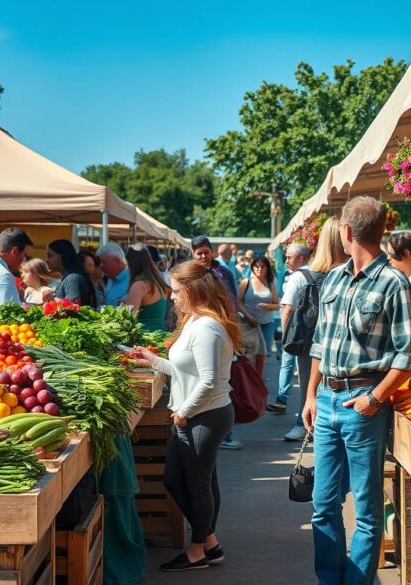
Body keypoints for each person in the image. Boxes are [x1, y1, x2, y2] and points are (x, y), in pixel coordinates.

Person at [301, 196, 411, 585]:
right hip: (327, 401)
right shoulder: (334, 278)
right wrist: (310, 395)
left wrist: (374, 398)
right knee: (323, 505)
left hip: (362, 403)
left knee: (366, 512)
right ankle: (329, 580)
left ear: (346, 232)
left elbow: (410, 355)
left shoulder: (394, 283)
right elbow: (319, 343)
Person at [128, 261, 239, 572]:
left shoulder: (207, 328)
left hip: (204, 415)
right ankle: (210, 544)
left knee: (196, 483)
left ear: (192, 290)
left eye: (176, 291)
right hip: (195, 414)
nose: (172, 297)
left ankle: (197, 551)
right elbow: (183, 370)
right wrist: (151, 360)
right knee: (181, 480)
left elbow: (209, 380)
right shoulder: (194, 322)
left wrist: (183, 413)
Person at [283, 217, 348, 442]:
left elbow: (289, 311)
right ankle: (327, 426)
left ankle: (304, 424)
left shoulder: (303, 276)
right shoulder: (351, 275)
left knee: (308, 388)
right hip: (342, 345)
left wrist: (286, 338)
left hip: (309, 343)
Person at [192, 235, 244, 450]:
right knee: (200, 382)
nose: (203, 256)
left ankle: (226, 433)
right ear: (194, 254)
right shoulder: (190, 274)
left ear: (212, 251)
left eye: (206, 252)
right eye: (199, 253)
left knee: (222, 383)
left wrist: (234, 335)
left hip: (221, 334)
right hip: (197, 335)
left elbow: (232, 302)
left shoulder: (223, 272)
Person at [272, 243, 310, 415]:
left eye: (289, 257)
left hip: (294, 332)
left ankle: (300, 420)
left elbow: (287, 309)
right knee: (295, 370)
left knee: (295, 370)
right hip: (308, 333)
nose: (286, 260)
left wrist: (285, 333)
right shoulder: (316, 273)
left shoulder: (297, 276)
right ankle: (282, 399)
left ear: (301, 258)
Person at [239, 256, 279, 382]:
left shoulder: (271, 283)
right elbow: (238, 302)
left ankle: (259, 381)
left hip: (266, 324)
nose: (259, 269)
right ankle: (248, 381)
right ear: (252, 267)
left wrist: (268, 306)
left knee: (263, 354)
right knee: (249, 355)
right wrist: (248, 316)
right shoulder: (246, 282)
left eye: (262, 266)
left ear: (267, 268)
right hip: (248, 324)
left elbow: (277, 304)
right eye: (256, 266)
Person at [125, 243, 171, 332]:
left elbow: (128, 318)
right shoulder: (159, 283)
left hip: (144, 340)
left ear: (130, 262)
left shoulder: (139, 285)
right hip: (160, 337)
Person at [48, 240, 96, 308]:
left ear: (61, 257)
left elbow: (72, 308)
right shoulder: (67, 278)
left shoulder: (72, 278)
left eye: (50, 256)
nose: (47, 260)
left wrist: (53, 300)